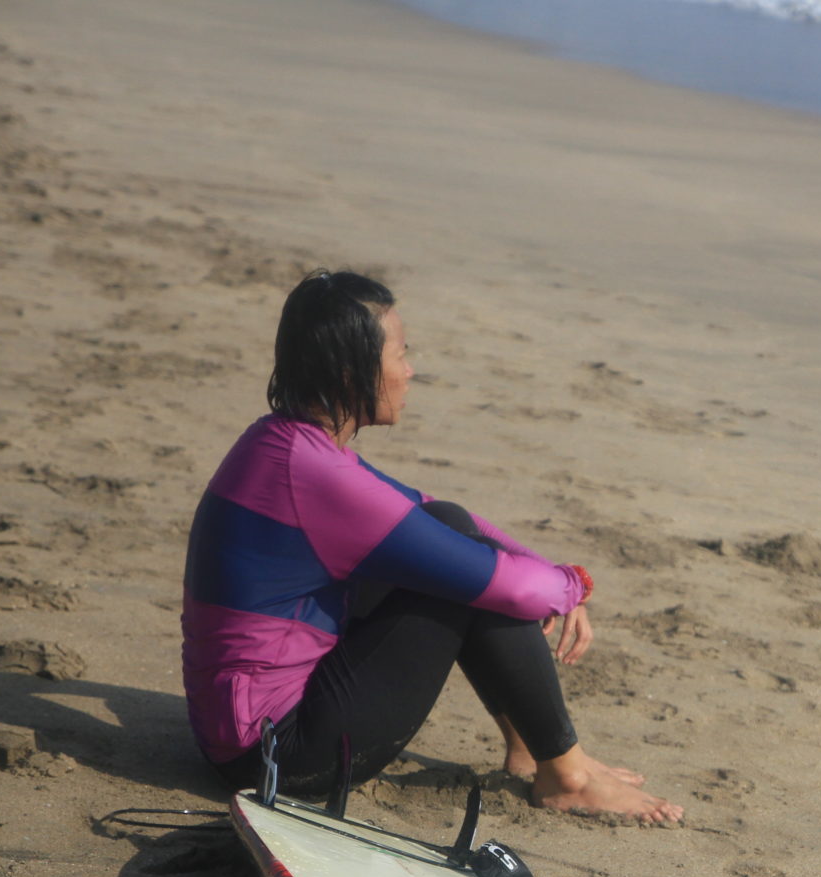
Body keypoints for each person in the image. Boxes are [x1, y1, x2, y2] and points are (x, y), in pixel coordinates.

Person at [180, 269, 681, 824]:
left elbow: (431, 510)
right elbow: (510, 588)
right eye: (401, 353)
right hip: (272, 755)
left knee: (449, 533)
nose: (410, 370)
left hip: (245, 730)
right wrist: (571, 586)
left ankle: (534, 750)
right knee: (469, 579)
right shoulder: (315, 474)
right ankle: (568, 776)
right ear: (352, 372)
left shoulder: (286, 443)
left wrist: (555, 577)